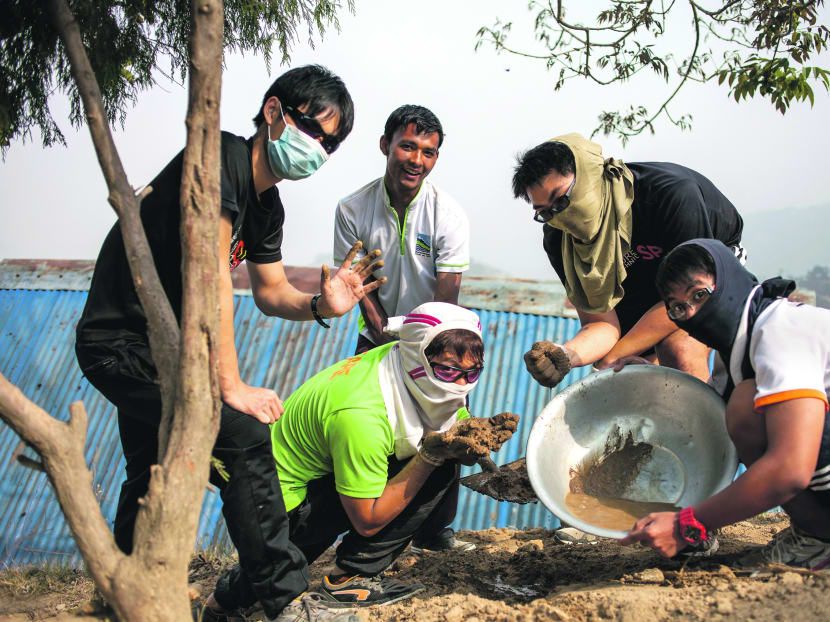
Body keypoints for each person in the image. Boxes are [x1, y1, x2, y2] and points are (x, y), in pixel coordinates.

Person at [75, 65, 385, 622]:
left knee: (150, 468)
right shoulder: (219, 158)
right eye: (313, 130)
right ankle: (286, 599)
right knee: (240, 434)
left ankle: (121, 590)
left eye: (330, 144)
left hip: (169, 350)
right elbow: (210, 275)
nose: (318, 148)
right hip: (121, 343)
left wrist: (322, 303)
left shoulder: (268, 206)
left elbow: (269, 292)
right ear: (273, 112)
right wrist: (230, 385)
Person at [202, 302, 518, 615]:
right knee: (433, 466)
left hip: (319, 479)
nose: (460, 384)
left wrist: (472, 433)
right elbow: (367, 521)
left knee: (441, 453)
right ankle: (348, 577)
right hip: (284, 508)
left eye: (471, 372)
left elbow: (449, 416)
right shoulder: (362, 414)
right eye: (447, 370)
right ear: (416, 355)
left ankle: (224, 601)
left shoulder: (400, 364)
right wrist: (430, 457)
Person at [619, 239, 830, 570]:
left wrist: (687, 523)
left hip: (802, 468)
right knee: (738, 406)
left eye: (699, 295)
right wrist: (651, 377)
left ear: (728, 280)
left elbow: (790, 469)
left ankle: (820, 538)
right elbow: (709, 417)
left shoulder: (779, 332)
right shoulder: (736, 350)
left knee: (745, 406)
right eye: (678, 307)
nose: (691, 312)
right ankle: (815, 530)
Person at [332, 105, 472, 554]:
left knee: (446, 433)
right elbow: (355, 281)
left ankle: (435, 534)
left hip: (433, 341)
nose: (417, 159)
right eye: (407, 146)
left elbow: (446, 297)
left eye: (428, 152)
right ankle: (366, 533)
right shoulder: (352, 208)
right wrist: (379, 327)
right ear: (385, 146)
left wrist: (415, 343)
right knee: (366, 426)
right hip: (374, 337)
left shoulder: (448, 214)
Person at [514, 133, 745, 390]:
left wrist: (614, 355)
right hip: (634, 287)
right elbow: (601, 324)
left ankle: (702, 425)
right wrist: (566, 355)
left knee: (678, 351)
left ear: (591, 173)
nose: (561, 216)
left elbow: (691, 299)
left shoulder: (669, 194)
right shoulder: (559, 239)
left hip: (705, 277)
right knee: (633, 379)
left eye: (563, 199)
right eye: (546, 212)